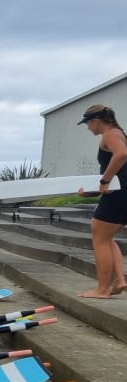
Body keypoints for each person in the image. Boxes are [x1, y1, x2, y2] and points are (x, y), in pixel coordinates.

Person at [75, 104, 127, 299]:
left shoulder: (110, 134)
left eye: (88, 123)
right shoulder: (118, 133)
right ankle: (120, 280)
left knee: (100, 238)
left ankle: (102, 289)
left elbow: (122, 154)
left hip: (118, 194)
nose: (88, 128)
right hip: (120, 193)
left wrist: (104, 181)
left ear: (95, 120)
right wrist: (93, 191)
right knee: (107, 238)